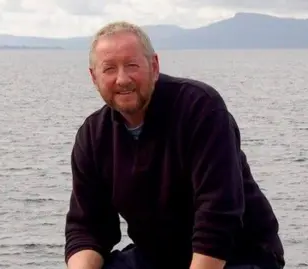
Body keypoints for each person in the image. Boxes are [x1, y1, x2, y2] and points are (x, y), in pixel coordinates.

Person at [64, 21, 285, 269]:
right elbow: (87, 228)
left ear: (154, 66)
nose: (122, 79)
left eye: (132, 65)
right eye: (109, 69)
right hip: (158, 256)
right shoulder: (93, 136)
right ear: (94, 77)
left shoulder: (200, 108)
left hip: (238, 254)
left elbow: (218, 217)